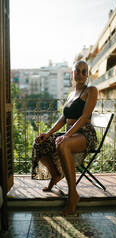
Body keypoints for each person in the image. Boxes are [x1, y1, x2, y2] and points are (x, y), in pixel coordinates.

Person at [32, 60, 98, 215]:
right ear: (72, 73)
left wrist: (66, 136)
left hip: (85, 134)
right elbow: (63, 119)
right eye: (78, 71)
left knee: (63, 144)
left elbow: (84, 117)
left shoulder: (91, 91)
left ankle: (73, 195)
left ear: (87, 74)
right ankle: (55, 175)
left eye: (84, 71)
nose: (81, 74)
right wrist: (47, 134)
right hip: (70, 133)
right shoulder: (70, 95)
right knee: (40, 143)